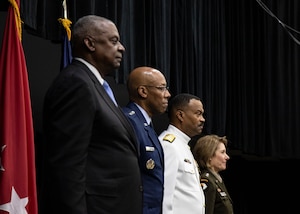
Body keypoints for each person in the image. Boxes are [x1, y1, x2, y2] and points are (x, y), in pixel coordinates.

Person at [40, 15, 142, 214]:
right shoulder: (75, 83)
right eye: (113, 41)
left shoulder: (97, 86)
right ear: (90, 43)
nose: (121, 48)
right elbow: (67, 168)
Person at [122, 66, 171, 214]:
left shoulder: (146, 125)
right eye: (161, 88)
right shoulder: (128, 122)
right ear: (143, 91)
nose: (167, 94)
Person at [158, 93, 206, 214]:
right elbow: (164, 194)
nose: (202, 119)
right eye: (198, 113)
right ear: (180, 115)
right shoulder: (169, 145)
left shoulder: (183, 145)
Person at [192, 134, 234, 214]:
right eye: (222, 152)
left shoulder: (216, 180)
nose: (227, 157)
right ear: (209, 155)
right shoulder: (207, 181)